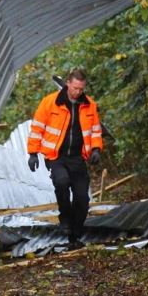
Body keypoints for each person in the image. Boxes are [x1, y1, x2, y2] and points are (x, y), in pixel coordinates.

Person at [26, 69, 103, 249]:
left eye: (81, 89)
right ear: (68, 83)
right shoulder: (50, 102)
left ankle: (75, 235)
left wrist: (96, 149)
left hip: (77, 157)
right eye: (75, 88)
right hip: (56, 156)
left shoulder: (89, 105)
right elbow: (37, 128)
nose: (78, 92)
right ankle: (65, 219)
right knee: (61, 182)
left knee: (82, 198)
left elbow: (95, 130)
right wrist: (33, 154)